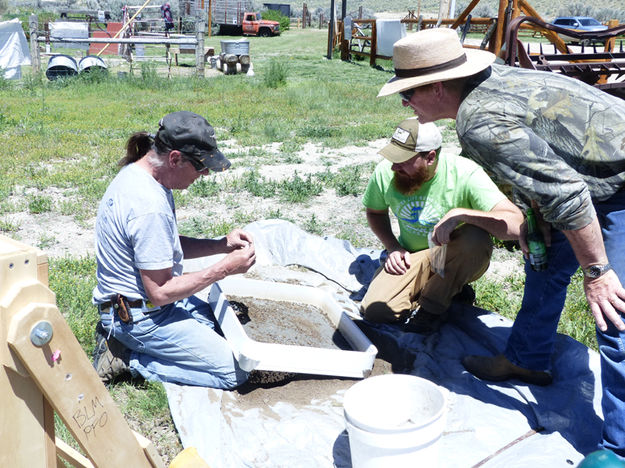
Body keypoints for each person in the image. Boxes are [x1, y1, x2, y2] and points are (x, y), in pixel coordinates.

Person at [378, 27, 625, 456]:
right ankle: (527, 360)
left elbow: (566, 194)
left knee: (615, 312)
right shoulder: (491, 80)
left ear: (437, 87)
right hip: (587, 178)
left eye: (408, 94)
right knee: (542, 261)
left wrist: (598, 273)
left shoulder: (477, 120)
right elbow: (542, 158)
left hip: (616, 186)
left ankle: (619, 448)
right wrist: (535, 214)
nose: (405, 104)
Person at [92, 111, 255, 388]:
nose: (204, 174)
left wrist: (220, 246)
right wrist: (223, 269)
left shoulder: (141, 175)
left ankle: (122, 339)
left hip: (134, 308)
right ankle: (127, 357)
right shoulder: (148, 206)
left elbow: (159, 245)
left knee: (221, 324)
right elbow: (161, 292)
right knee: (236, 371)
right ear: (175, 158)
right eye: (201, 166)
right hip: (142, 318)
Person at [360, 117, 523, 333]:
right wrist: (392, 247)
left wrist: (461, 214)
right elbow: (374, 212)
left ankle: (432, 308)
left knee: (475, 237)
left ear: (430, 157)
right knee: (376, 311)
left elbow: (516, 224)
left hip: (452, 255)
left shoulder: (465, 173)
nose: (394, 166)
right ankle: (448, 292)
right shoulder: (386, 173)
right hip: (413, 256)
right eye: (393, 157)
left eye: (403, 160)